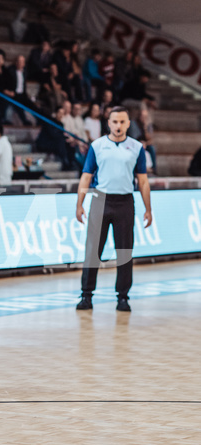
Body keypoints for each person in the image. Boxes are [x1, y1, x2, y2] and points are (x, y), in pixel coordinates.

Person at [75, 106, 152, 312]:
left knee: (124, 251)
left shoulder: (136, 148)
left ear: (128, 124)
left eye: (122, 122)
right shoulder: (97, 146)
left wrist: (148, 209)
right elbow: (86, 176)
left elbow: (143, 181)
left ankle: (123, 297)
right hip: (100, 200)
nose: (118, 126)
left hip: (125, 202)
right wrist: (79, 203)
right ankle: (86, 295)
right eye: (114, 122)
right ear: (108, 123)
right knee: (93, 251)